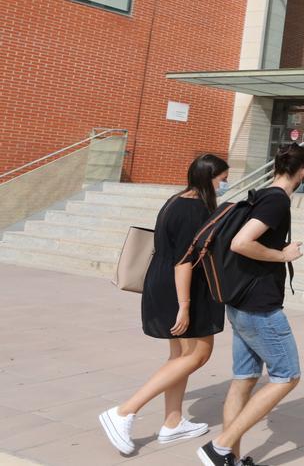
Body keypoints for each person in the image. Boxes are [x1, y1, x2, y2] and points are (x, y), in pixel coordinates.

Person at [99, 155, 230, 456]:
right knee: (198, 353)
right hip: (182, 288)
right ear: (209, 178)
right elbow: (184, 261)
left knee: (180, 355)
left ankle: (173, 422)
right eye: (223, 179)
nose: (225, 184)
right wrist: (184, 306)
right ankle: (124, 412)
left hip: (163, 281)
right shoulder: (194, 210)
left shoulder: (176, 200)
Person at [196, 143, 304, 466]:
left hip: (240, 302)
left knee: (244, 378)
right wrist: (282, 255)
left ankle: (228, 457)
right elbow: (241, 242)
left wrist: (276, 248)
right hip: (260, 306)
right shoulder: (276, 201)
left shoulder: (262, 193)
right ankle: (219, 447)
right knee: (287, 376)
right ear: (303, 171)